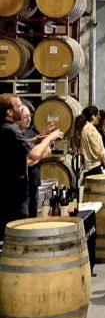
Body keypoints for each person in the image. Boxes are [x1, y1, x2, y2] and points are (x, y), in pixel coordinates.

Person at [0, 94, 63, 242]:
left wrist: (37, 139)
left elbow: (22, 145)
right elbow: (35, 154)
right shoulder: (11, 130)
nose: (22, 109)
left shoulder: (6, 128)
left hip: (13, 193)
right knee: (18, 236)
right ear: (10, 112)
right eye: (19, 106)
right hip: (14, 196)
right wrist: (50, 138)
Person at [80, 106, 105, 176]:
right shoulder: (90, 129)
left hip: (92, 166)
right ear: (93, 117)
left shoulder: (88, 128)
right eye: (98, 115)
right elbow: (96, 149)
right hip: (93, 166)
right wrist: (103, 158)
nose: (99, 117)